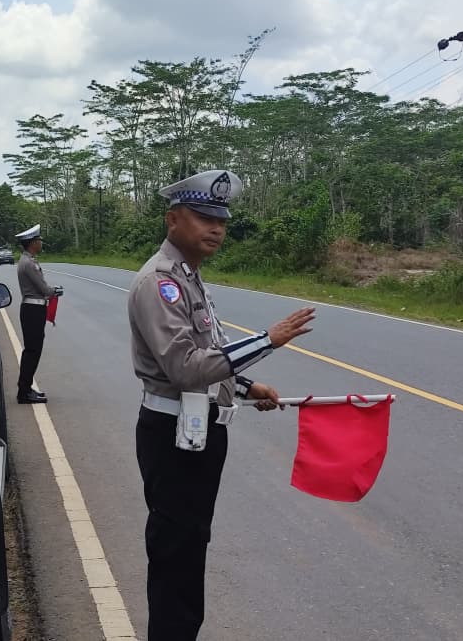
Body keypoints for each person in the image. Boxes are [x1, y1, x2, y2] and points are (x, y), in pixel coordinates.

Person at [128, 170, 316, 641]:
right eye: (203, 218)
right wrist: (267, 341)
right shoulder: (160, 283)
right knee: (175, 555)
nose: (216, 229)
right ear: (173, 219)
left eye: (222, 221)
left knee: (191, 549)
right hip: (173, 437)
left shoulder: (190, 278)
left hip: (199, 432)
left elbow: (210, 355)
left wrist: (248, 386)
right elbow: (186, 369)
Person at [14, 224, 63, 404]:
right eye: (39, 241)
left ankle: (26, 387)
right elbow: (43, 289)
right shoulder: (29, 264)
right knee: (32, 351)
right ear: (32, 243)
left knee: (32, 350)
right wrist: (55, 291)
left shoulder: (28, 261)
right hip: (33, 310)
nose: (41, 243)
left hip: (34, 309)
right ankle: (24, 391)